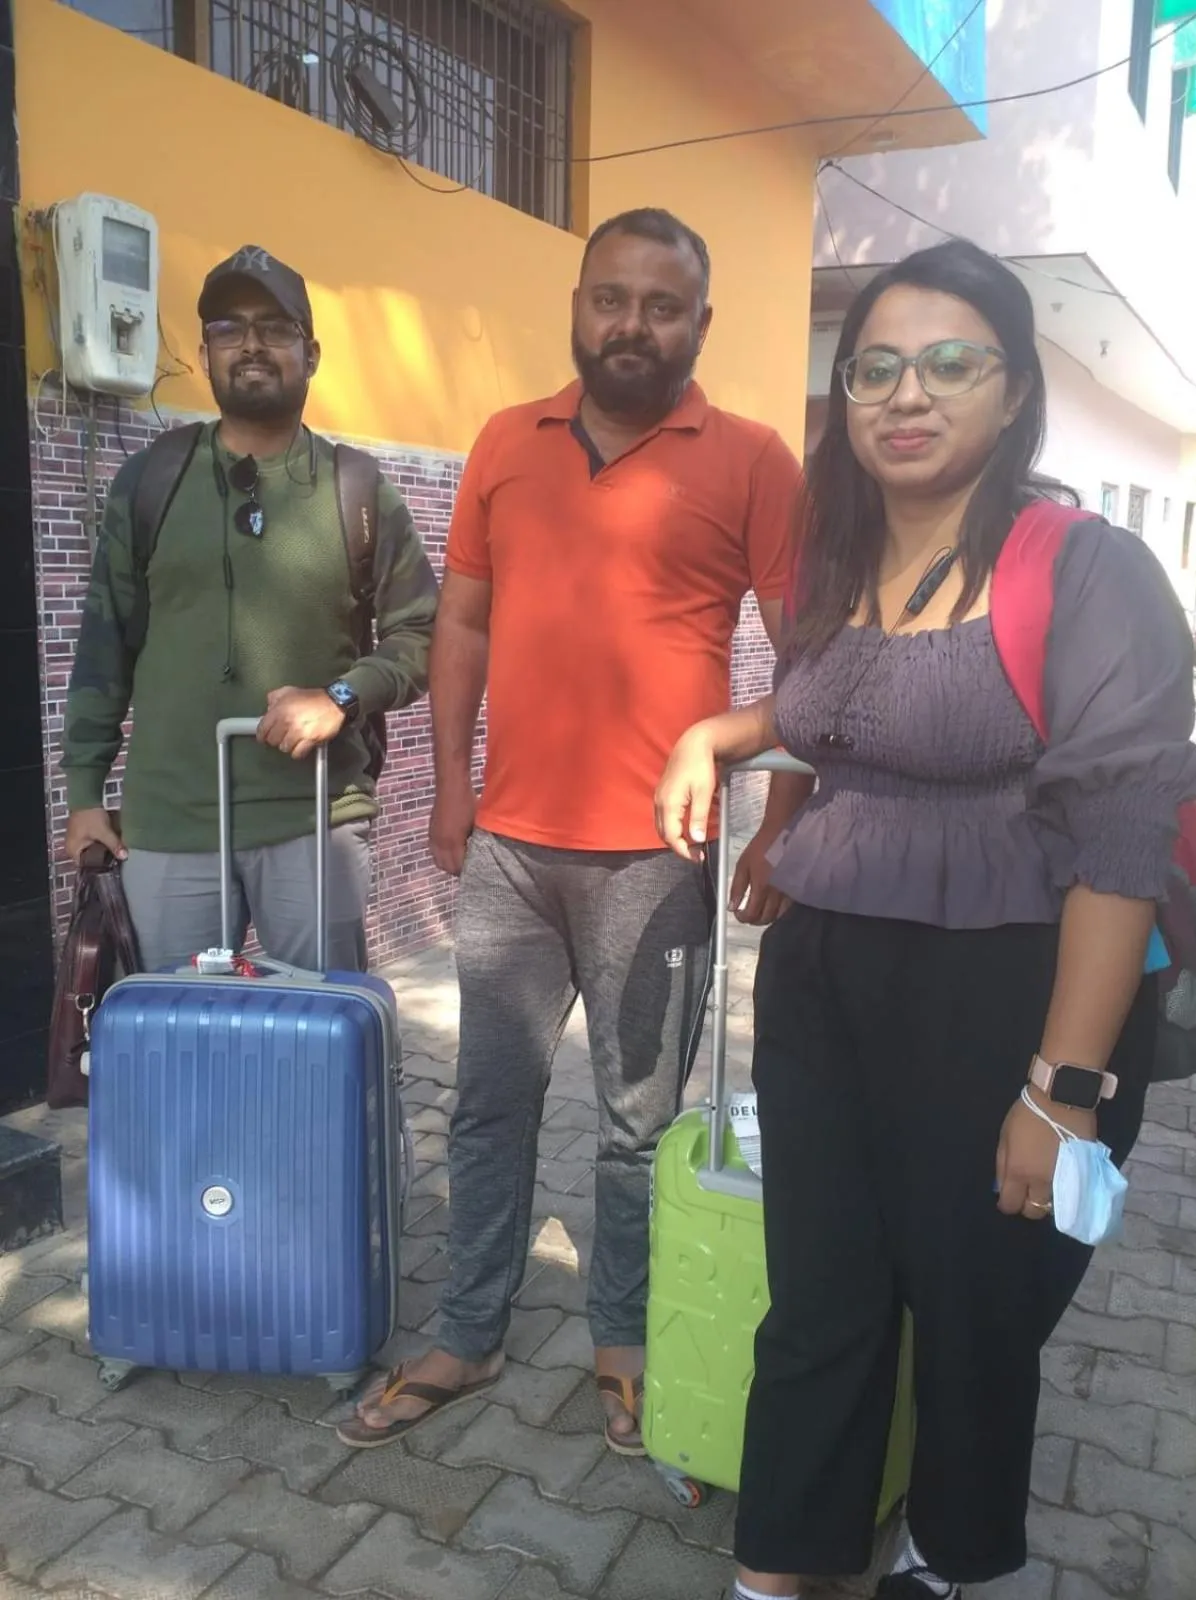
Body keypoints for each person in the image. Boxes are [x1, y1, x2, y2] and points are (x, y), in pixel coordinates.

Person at [655, 238, 1196, 1600]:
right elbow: (826, 707)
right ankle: (782, 1567)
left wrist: (1063, 1094)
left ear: (1012, 391)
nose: (911, 392)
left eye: (953, 362)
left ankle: (957, 1565)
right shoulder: (835, 568)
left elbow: (1125, 840)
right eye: (879, 366)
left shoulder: (1084, 568)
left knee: (972, 1317)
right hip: (826, 973)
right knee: (821, 1299)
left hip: (1013, 990)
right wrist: (716, 732)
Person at [337, 207, 806, 1452]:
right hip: (511, 852)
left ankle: (626, 1338)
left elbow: (813, 661)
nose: (632, 324)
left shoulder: (756, 459)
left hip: (666, 859)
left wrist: (784, 823)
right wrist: (446, 785)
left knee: (635, 1125)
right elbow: (465, 630)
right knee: (490, 1106)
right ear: (578, 303)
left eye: (662, 305)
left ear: (700, 324)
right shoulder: (505, 439)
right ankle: (470, 1332)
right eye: (612, 298)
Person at [62, 246, 439, 971]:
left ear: (312, 351)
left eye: (276, 327)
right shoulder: (151, 481)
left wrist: (341, 697)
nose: (253, 344)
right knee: (187, 1044)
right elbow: (103, 645)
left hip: (314, 818)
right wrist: (84, 794)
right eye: (230, 328)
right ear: (205, 353)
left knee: (329, 1043)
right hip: (173, 823)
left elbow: (422, 633)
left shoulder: (354, 488)